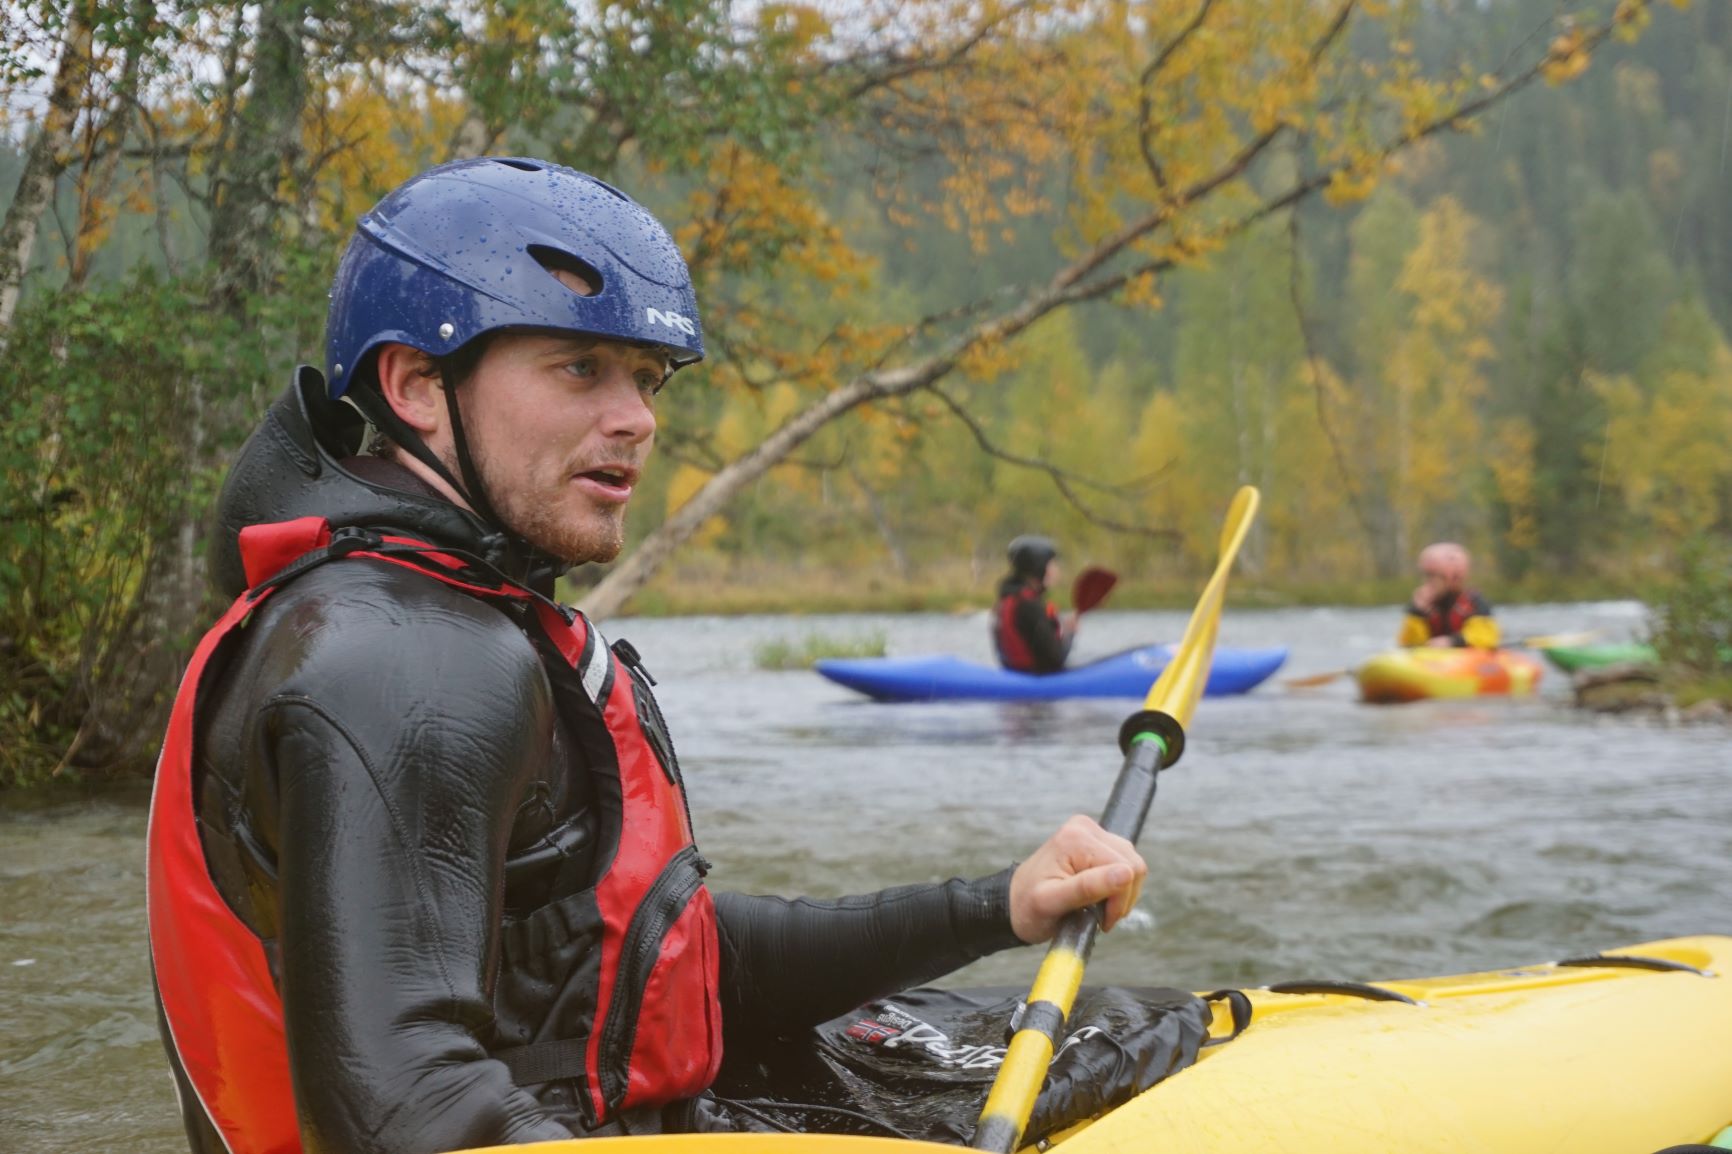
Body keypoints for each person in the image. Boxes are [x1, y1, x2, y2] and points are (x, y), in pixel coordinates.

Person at [145, 158, 1148, 1154]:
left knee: (1122, 1034)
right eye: (580, 368)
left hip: (600, 1117)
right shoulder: (411, 660)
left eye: (645, 377)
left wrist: (995, 903)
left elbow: (677, 962)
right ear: (416, 384)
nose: (638, 419)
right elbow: (403, 1107)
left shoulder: (417, 616)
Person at [992, 535, 1077, 673]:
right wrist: (1070, 633)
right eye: (1052, 564)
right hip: (1035, 678)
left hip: (1015, 674)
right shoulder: (1029, 606)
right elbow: (1055, 660)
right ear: (1039, 566)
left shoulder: (1008, 600)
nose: (1056, 570)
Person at [1397, 542, 1501, 649]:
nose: (1427, 582)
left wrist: (1453, 642)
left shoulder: (1475, 603)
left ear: (1455, 577)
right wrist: (1417, 612)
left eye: (1433, 576)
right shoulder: (1421, 606)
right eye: (1426, 576)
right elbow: (1408, 643)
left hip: (1465, 655)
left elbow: (1486, 637)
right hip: (1432, 657)